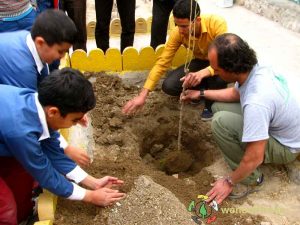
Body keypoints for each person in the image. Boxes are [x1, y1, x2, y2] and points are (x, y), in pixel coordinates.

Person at [181, 33, 300, 204]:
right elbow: (236, 93)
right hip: (283, 127)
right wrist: (200, 93)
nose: (214, 72)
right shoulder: (255, 69)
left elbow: (255, 156)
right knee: (217, 107)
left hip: (286, 146)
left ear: (231, 69)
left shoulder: (257, 101)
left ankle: (252, 179)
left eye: (217, 69)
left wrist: (229, 181)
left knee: (220, 123)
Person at [0, 68, 126, 224]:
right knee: (5, 209)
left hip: (6, 134)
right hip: (11, 132)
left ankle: (25, 216)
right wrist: (90, 196)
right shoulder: (21, 131)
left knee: (21, 176)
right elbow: (46, 175)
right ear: (54, 112)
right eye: (74, 120)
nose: (74, 125)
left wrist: (93, 182)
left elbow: (54, 151)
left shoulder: (39, 104)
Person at [0, 9, 90, 167]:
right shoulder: (22, 69)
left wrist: (71, 110)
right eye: (60, 51)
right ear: (41, 42)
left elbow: (46, 89)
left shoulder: (31, 44)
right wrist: (66, 148)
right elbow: (35, 115)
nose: (62, 57)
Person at [122, 0, 227, 121]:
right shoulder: (178, 33)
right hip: (200, 62)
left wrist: (203, 73)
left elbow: (223, 57)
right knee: (169, 85)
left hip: (220, 63)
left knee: (219, 78)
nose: (180, 30)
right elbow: (162, 62)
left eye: (184, 26)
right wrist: (142, 95)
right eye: (177, 25)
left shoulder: (216, 24)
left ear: (197, 20)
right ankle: (203, 89)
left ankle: (210, 105)